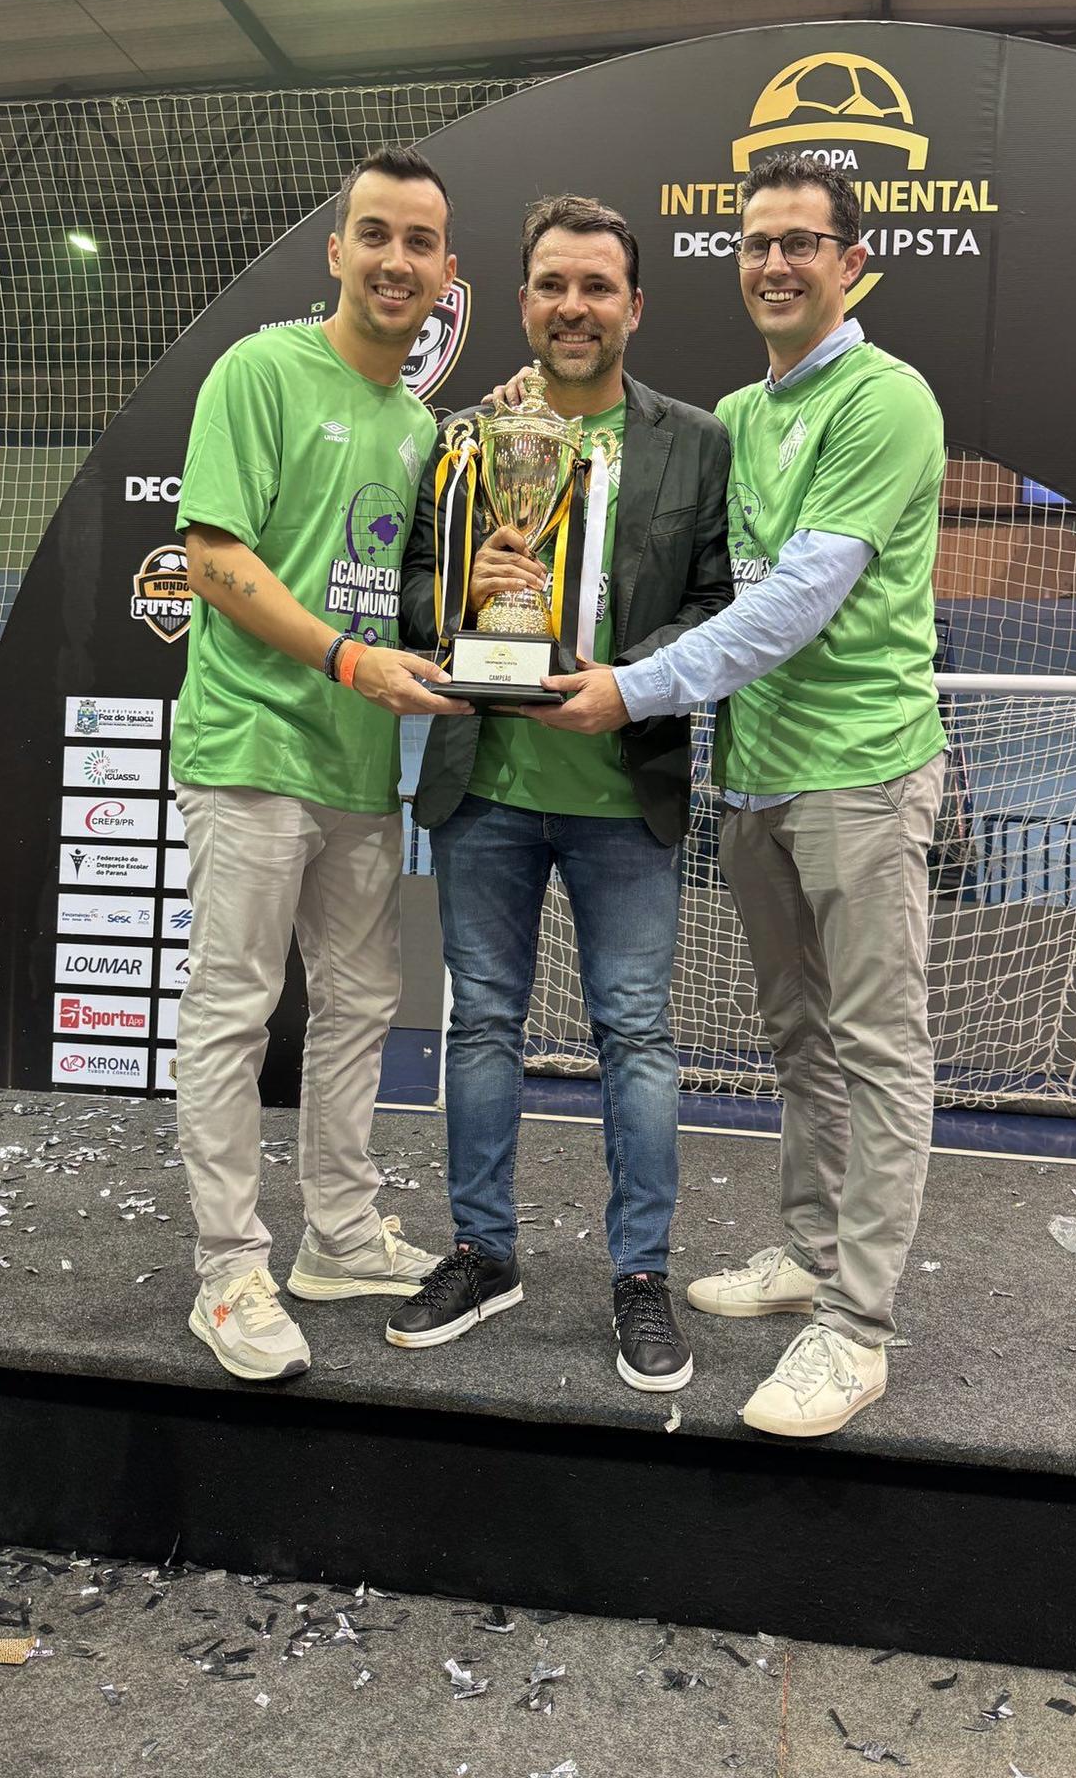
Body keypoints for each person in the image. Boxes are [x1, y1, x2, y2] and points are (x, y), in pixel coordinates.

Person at [535, 157, 946, 1439]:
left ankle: (857, 1326)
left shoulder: (887, 401)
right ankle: (811, 1254)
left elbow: (796, 599)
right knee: (801, 1041)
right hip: (757, 776)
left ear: (852, 263)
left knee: (878, 1051)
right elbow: (705, 586)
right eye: (759, 242)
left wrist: (633, 689)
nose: (775, 262)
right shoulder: (738, 412)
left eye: (803, 244)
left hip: (864, 772)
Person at [390, 194, 732, 1394]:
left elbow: (718, 600)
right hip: (485, 782)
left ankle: (640, 1272)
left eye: (596, 285)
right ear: (523, 298)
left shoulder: (696, 441)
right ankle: (484, 1251)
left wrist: (631, 685)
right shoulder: (467, 437)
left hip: (622, 790)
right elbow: (412, 592)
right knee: (480, 1021)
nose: (572, 305)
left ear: (634, 304)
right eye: (551, 284)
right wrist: (464, 598)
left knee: (635, 1033)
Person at [171, 145, 471, 1383]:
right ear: (335, 251)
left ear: (446, 276)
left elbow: (404, 608)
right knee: (234, 1013)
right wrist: (351, 662)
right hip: (252, 745)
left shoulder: (426, 427)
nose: (396, 259)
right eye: (376, 234)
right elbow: (213, 559)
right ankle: (228, 1267)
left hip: (359, 772)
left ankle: (339, 1235)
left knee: (357, 1008)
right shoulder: (261, 370)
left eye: (419, 242)